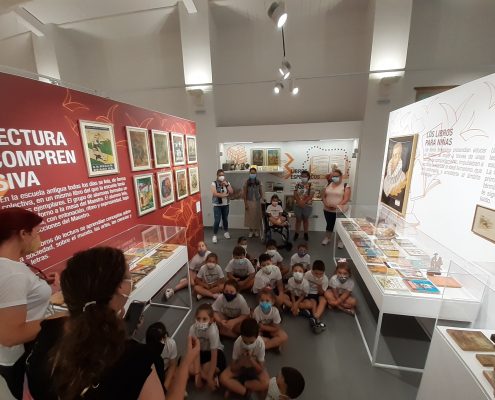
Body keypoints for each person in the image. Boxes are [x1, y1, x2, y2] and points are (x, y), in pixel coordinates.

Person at [26, 246, 200, 400]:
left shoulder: (46, 333)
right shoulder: (135, 360)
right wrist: (184, 364)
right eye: (128, 274)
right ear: (120, 288)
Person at [0, 208, 56, 400]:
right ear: (23, 233)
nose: (38, 237)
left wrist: (40, 285)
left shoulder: (10, 267)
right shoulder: (11, 273)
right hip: (21, 360)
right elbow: (10, 335)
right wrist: (58, 320)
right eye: (37, 232)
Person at [220, 318, 270, 397]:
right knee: (223, 378)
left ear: (257, 336)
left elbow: (260, 370)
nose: (248, 345)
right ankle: (246, 392)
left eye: (251, 342)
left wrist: (251, 360)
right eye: (245, 341)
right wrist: (242, 362)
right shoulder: (238, 343)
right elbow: (233, 368)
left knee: (266, 383)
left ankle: (239, 385)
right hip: (240, 366)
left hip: (254, 367)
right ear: (241, 336)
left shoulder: (260, 344)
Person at [189, 303, 226, 392]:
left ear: (211, 320)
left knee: (206, 369)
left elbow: (214, 356)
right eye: (198, 319)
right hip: (200, 352)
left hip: (214, 353)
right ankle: (206, 375)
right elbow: (195, 352)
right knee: (187, 366)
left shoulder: (212, 331)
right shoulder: (193, 329)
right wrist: (198, 375)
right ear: (195, 318)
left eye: (204, 319)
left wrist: (208, 377)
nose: (201, 322)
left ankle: (207, 375)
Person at [321, 169, 351, 247]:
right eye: (333, 176)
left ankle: (340, 241)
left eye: (336, 176)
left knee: (340, 226)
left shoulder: (345, 185)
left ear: (341, 177)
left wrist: (337, 206)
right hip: (327, 209)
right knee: (329, 224)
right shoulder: (327, 185)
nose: (334, 178)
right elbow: (323, 196)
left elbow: (346, 199)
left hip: (340, 210)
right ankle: (327, 238)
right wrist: (326, 204)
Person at [145, 322, 177, 392]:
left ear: (165, 337)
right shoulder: (148, 349)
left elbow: (172, 365)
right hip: (155, 372)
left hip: (166, 370)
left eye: (160, 339)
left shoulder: (171, 344)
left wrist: (165, 387)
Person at [304, 260, 328, 333]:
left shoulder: (325, 279)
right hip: (308, 293)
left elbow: (321, 293)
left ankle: (314, 317)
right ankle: (317, 320)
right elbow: (303, 286)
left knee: (323, 300)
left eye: (321, 274)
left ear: (323, 272)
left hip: (318, 293)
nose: (318, 275)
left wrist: (319, 286)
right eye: (316, 273)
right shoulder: (307, 274)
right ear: (312, 270)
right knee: (313, 302)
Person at [211, 169, 234, 244]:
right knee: (217, 220)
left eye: (223, 175)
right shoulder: (214, 183)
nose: (222, 176)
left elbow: (231, 192)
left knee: (225, 219)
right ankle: (214, 235)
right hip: (217, 205)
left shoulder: (227, 183)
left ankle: (226, 232)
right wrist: (224, 195)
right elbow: (214, 193)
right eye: (220, 175)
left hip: (226, 204)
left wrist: (227, 185)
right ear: (217, 176)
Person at [293, 170, 314, 242]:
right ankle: (296, 233)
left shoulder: (311, 185)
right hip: (297, 205)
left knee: (305, 220)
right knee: (298, 220)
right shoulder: (297, 184)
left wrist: (303, 202)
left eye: (305, 176)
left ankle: (306, 234)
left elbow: (311, 195)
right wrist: (299, 202)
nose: (303, 177)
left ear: (308, 177)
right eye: (302, 176)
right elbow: (295, 194)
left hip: (307, 205)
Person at [243, 167, 263, 238]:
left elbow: (261, 191)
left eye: (254, 173)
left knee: (257, 216)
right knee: (250, 217)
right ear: (249, 173)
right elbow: (244, 194)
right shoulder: (246, 182)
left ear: (256, 174)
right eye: (251, 173)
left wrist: (262, 199)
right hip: (249, 201)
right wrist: (245, 204)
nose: (253, 174)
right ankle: (251, 231)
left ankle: (256, 231)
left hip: (257, 201)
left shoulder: (258, 181)